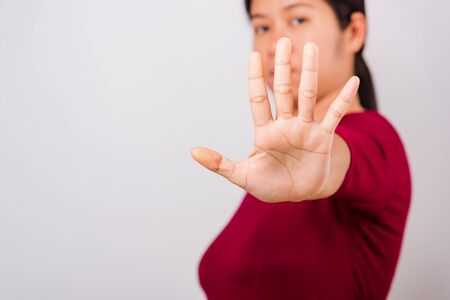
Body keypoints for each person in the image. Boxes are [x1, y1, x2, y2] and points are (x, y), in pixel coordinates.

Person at [190, 0, 412, 299]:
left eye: (297, 20)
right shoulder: (280, 167)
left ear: (354, 32)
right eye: (262, 26)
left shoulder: (376, 138)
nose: (274, 44)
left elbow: (343, 159)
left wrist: (325, 164)